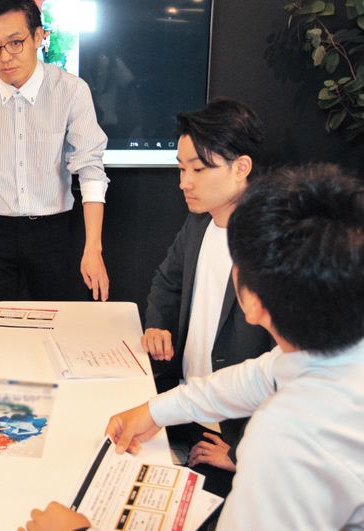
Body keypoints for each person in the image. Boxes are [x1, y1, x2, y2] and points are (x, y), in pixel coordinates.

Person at [23, 164, 364, 529]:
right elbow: (257, 377)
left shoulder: (285, 439)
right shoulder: (323, 355)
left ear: (250, 300)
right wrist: (155, 411)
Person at [0, 0, 110, 302]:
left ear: (39, 36)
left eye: (15, 43)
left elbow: (90, 169)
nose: (5, 57)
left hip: (52, 230)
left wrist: (93, 248)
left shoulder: (71, 90)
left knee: (56, 320)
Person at [142, 98, 273, 496]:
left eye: (198, 169)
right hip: (187, 408)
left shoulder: (273, 241)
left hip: (234, 433)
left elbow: (290, 365)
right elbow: (167, 281)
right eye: (181, 169)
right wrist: (157, 325)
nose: (185, 182)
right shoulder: (199, 222)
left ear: (241, 167)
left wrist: (242, 452)